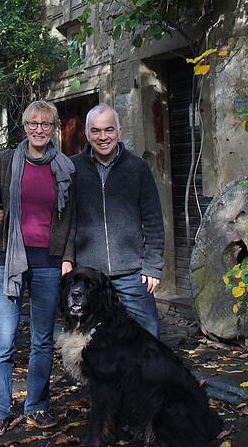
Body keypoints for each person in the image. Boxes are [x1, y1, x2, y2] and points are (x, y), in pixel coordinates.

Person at [0, 100, 76, 438]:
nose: (39, 129)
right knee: (4, 339)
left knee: (42, 341)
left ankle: (36, 406)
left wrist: (67, 257)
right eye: (33, 123)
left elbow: (71, 218)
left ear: (53, 128)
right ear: (24, 127)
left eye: (46, 124)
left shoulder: (65, 167)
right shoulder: (6, 162)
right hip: (8, 260)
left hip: (49, 263)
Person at [70, 103, 165, 339]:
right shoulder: (72, 168)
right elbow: (63, 219)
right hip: (89, 275)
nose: (103, 137)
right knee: (91, 342)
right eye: (96, 131)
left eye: (109, 129)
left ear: (119, 131)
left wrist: (153, 266)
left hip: (132, 274)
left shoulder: (138, 168)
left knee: (147, 337)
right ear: (87, 133)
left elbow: (153, 219)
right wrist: (67, 261)